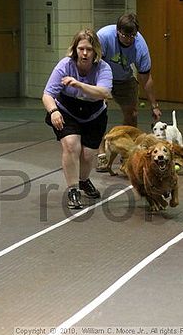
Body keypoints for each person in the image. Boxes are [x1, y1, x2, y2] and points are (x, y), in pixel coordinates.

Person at [42, 28, 113, 209]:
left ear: (95, 51)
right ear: (75, 50)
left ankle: (83, 180)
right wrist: (53, 111)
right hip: (67, 111)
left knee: (88, 155)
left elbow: (104, 92)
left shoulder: (103, 68)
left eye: (89, 49)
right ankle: (73, 190)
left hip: (94, 114)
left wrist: (78, 84)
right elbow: (48, 94)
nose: (84, 53)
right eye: (81, 48)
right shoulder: (65, 65)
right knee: (71, 145)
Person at [95, 12, 162, 172]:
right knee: (98, 113)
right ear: (118, 31)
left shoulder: (140, 47)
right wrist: (99, 90)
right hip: (103, 77)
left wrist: (154, 105)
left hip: (124, 79)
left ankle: (127, 154)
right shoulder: (104, 36)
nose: (129, 39)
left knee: (131, 115)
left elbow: (146, 78)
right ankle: (101, 155)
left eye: (133, 35)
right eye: (125, 35)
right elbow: (94, 64)